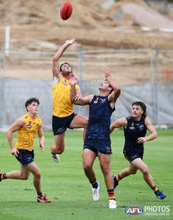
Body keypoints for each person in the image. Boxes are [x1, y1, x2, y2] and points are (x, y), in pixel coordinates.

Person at [70, 67, 121, 209]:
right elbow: (74, 100)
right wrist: (73, 85)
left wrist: (109, 76)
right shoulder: (93, 98)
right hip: (91, 138)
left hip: (103, 139)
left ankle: (112, 198)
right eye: (104, 81)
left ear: (109, 89)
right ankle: (95, 184)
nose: (103, 83)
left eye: (105, 83)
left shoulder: (110, 100)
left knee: (105, 169)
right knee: (86, 166)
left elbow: (118, 90)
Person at [0, 97, 51, 203]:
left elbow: (41, 136)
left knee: (24, 176)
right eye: (33, 105)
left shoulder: (38, 120)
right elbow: (9, 131)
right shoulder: (23, 120)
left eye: (37, 105)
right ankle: (40, 196)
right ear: (28, 107)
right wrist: (12, 148)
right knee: (37, 173)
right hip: (21, 151)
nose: (36, 107)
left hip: (30, 151)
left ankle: (1, 176)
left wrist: (41, 143)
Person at [110, 101, 166, 200]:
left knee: (132, 170)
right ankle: (157, 191)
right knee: (144, 169)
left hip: (139, 151)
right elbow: (113, 125)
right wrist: (105, 138)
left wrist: (146, 139)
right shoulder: (126, 121)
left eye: (137, 109)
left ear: (142, 112)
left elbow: (154, 133)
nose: (134, 111)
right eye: (133, 108)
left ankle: (116, 179)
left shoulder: (145, 121)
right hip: (129, 151)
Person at [50, 39, 88, 163]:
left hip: (70, 116)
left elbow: (76, 100)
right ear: (60, 71)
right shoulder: (58, 79)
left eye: (68, 65)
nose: (65, 65)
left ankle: (86, 150)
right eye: (63, 66)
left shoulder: (75, 85)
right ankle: (52, 150)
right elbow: (55, 59)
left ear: (71, 70)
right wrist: (66, 44)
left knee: (87, 123)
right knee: (60, 149)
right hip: (58, 118)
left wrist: (73, 86)